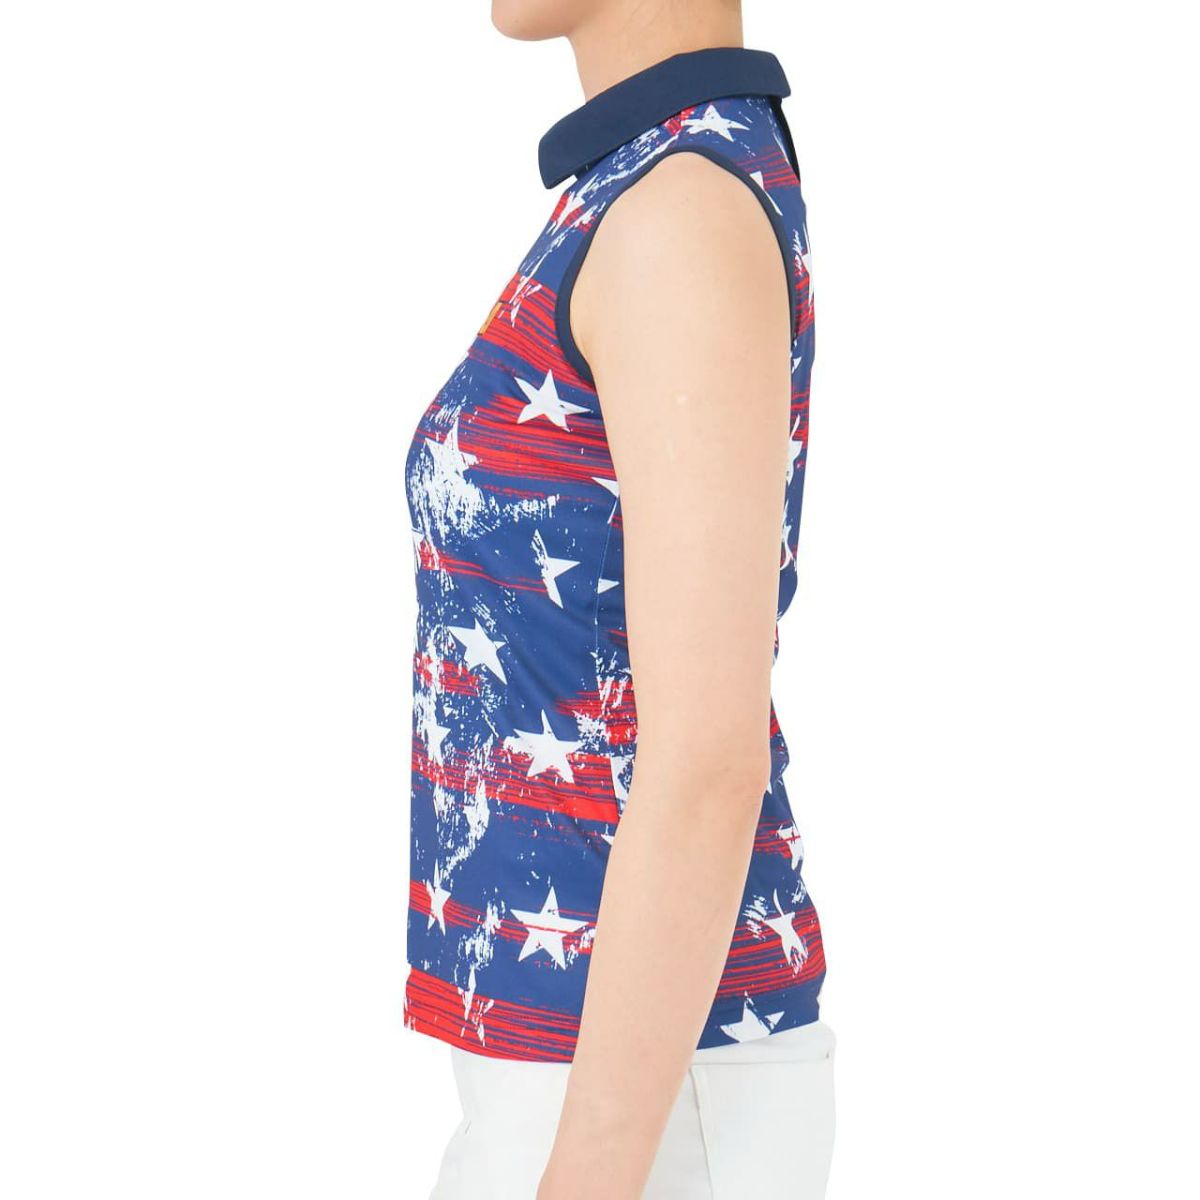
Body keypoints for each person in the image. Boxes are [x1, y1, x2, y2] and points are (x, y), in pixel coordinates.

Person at [403, 2, 832, 1195]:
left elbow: (706, 759)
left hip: (638, 1091)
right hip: (589, 1061)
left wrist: (589, 1170)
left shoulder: (677, 210)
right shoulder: (642, 185)